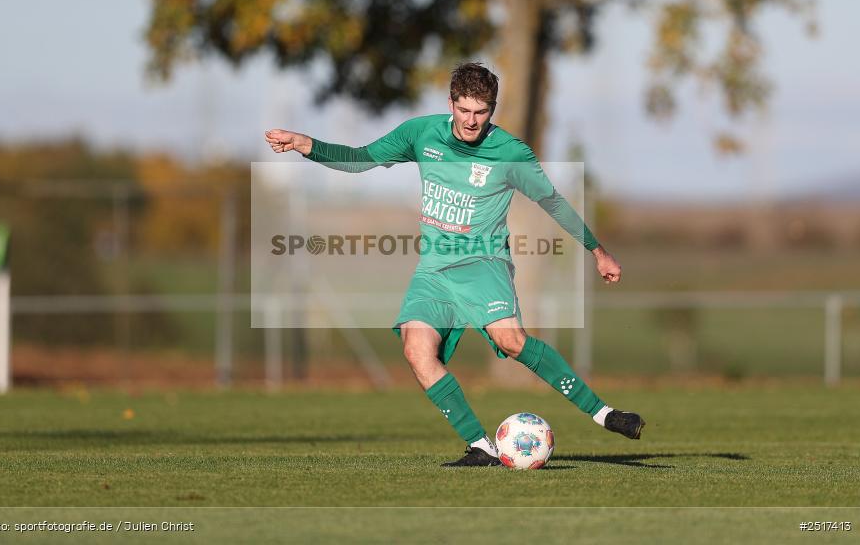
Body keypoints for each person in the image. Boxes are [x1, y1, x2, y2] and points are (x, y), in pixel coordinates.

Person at [265, 62, 644, 467]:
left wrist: (596, 250)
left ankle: (604, 414)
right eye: (464, 110)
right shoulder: (421, 133)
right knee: (416, 350)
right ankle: (481, 445)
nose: (471, 121)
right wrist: (308, 145)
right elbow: (361, 159)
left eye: (481, 112)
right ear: (451, 103)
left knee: (510, 341)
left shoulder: (511, 153)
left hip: (484, 264)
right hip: (433, 270)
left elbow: (552, 201)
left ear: (492, 109)